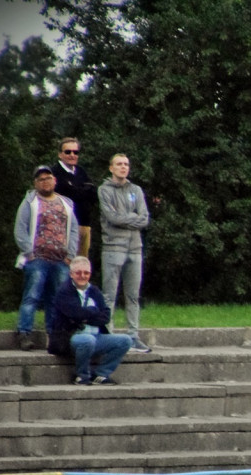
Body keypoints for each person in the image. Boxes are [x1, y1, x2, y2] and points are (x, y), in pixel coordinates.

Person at [13, 165, 79, 351]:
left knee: (57, 298)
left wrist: (71, 255)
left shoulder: (66, 203)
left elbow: (73, 229)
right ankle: (24, 332)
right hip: (37, 259)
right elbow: (20, 229)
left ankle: (55, 334)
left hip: (61, 260)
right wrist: (29, 253)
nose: (45, 182)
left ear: (54, 180)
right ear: (35, 183)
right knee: (32, 296)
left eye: (48, 178)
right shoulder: (30, 202)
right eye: (41, 179)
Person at [48, 257, 132, 385]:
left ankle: (101, 374)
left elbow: (105, 316)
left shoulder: (95, 291)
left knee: (125, 340)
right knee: (88, 340)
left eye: (86, 273)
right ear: (71, 274)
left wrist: (85, 316)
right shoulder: (63, 292)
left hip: (96, 336)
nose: (82, 276)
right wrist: (93, 311)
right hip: (70, 338)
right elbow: (73, 313)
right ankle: (82, 375)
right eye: (78, 273)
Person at [99, 153, 152, 353]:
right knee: (109, 294)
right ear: (111, 168)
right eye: (119, 164)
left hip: (135, 248)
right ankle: (108, 334)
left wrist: (126, 218)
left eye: (126, 164)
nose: (123, 167)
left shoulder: (136, 190)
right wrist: (131, 218)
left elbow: (144, 218)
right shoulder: (104, 190)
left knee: (133, 295)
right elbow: (112, 217)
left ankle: (133, 335)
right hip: (113, 247)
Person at [51, 137, 98, 258]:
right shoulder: (54, 173)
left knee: (81, 265)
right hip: (63, 227)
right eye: (68, 152)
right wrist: (81, 191)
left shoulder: (81, 171)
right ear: (60, 154)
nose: (72, 155)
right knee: (65, 263)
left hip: (84, 225)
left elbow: (93, 195)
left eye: (75, 152)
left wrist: (75, 191)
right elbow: (65, 197)